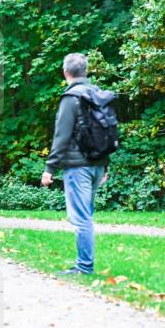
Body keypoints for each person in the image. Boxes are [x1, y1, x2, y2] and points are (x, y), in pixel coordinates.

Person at [40, 53, 109, 275]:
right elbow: (107, 131)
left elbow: (61, 136)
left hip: (78, 167)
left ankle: (84, 267)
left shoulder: (71, 97)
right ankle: (84, 264)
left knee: (81, 219)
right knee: (86, 215)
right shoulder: (96, 93)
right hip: (97, 165)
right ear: (86, 71)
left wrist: (50, 168)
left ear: (65, 71)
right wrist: (105, 165)